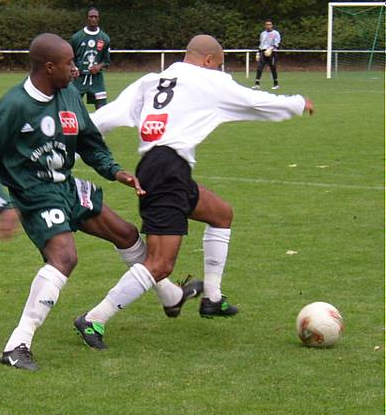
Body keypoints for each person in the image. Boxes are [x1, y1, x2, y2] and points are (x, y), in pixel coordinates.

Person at [0, 33, 201, 372]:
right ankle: (17, 344)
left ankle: (171, 298)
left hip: (68, 186)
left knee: (126, 234)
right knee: (64, 257)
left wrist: (114, 170)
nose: (75, 70)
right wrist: (0, 205)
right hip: (35, 193)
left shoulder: (69, 94)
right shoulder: (15, 106)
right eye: (69, 64)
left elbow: (90, 142)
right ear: (48, 67)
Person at [74, 34, 314, 350]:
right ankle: (95, 318)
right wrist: (297, 103)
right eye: (218, 66)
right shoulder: (209, 80)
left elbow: (107, 116)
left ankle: (212, 297)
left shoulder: (151, 80)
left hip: (163, 166)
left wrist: (69, 147)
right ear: (208, 61)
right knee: (160, 264)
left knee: (221, 214)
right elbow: (253, 101)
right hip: (167, 171)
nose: (218, 71)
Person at [70, 7, 111, 110]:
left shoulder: (104, 38)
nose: (93, 19)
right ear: (87, 18)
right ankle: (77, 126)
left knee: (102, 109)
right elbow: (69, 57)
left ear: (98, 19)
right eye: (91, 16)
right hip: (79, 78)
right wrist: (73, 67)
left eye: (95, 17)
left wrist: (98, 66)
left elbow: (106, 61)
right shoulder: (77, 37)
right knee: (72, 107)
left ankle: (98, 126)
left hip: (96, 80)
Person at [253, 18, 281, 90]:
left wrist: (271, 49)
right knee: (259, 67)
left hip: (272, 52)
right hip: (263, 52)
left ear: (272, 25)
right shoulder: (263, 33)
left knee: (272, 67)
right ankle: (257, 84)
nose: (268, 26)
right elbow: (261, 44)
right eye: (266, 25)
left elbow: (277, 43)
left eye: (269, 24)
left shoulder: (276, 33)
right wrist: (258, 52)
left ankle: (276, 84)